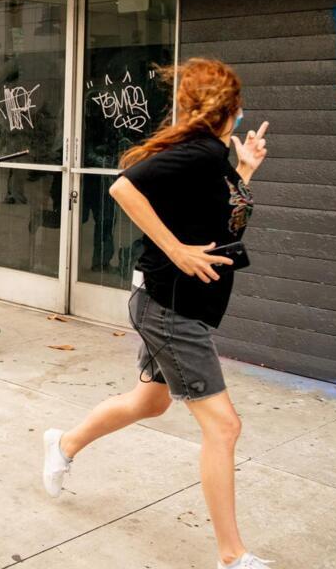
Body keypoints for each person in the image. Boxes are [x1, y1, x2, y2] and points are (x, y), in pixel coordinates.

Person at [39, 59, 270, 569]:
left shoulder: (211, 156)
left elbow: (225, 215)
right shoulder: (197, 151)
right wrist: (178, 251)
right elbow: (124, 187)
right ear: (228, 109)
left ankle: (65, 443)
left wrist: (246, 168)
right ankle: (232, 557)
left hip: (175, 305)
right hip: (172, 308)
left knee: (150, 402)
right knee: (224, 427)